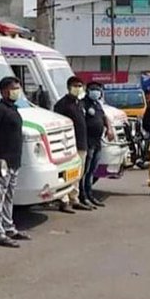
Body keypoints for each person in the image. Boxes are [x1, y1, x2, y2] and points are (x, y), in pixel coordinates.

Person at [0, 76, 29, 246]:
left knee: (9, 196)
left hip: (14, 161)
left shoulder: (14, 109)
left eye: (17, 88)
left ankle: (8, 226)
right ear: (3, 91)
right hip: (2, 162)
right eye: (13, 88)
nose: (16, 91)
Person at [52, 76, 94, 211]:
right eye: (75, 86)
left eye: (80, 86)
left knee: (78, 173)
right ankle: (64, 201)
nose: (78, 88)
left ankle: (74, 198)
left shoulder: (79, 103)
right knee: (66, 173)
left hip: (82, 142)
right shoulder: (61, 104)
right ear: (69, 87)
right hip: (67, 144)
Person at [80, 81, 114, 208]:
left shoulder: (97, 105)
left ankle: (90, 195)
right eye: (93, 89)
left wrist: (109, 129)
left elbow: (104, 118)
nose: (96, 91)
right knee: (85, 171)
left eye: (98, 89)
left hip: (97, 142)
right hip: (87, 143)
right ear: (87, 91)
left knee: (92, 171)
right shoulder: (83, 104)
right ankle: (83, 196)